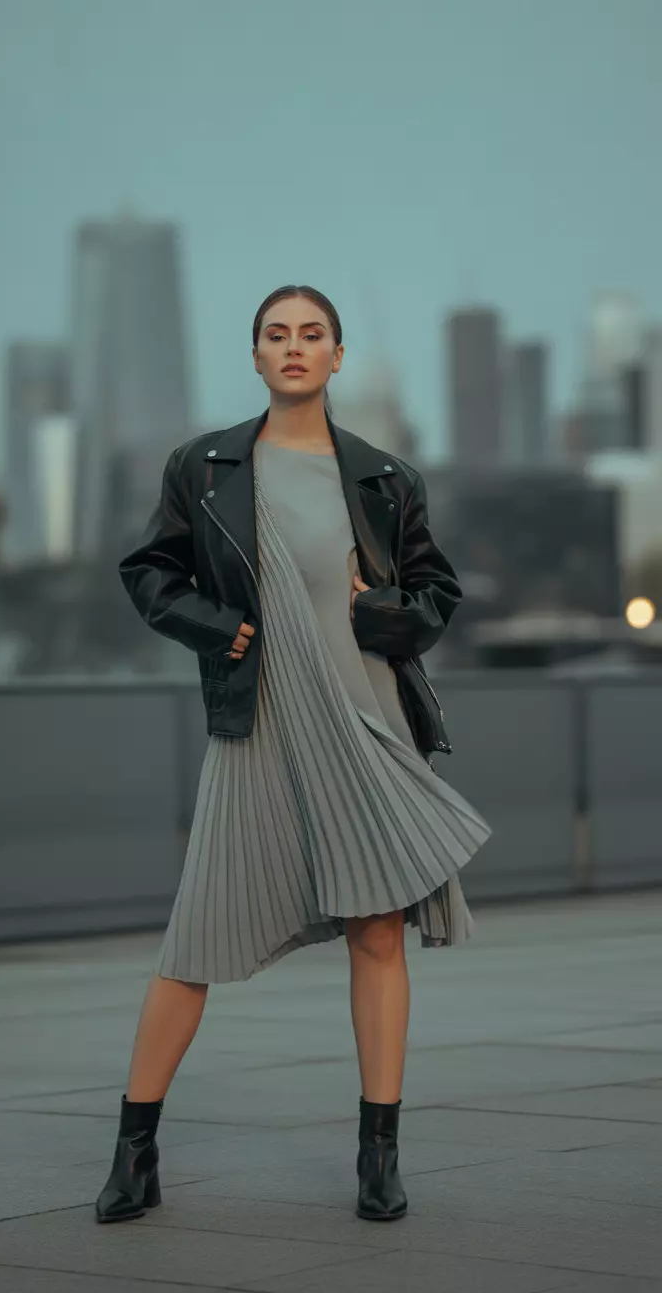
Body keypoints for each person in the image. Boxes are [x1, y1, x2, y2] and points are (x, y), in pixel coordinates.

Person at [95, 284, 491, 1226]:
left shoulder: (385, 478)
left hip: (367, 718)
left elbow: (435, 594)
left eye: (313, 334)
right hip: (260, 719)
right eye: (277, 335)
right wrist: (218, 628)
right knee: (194, 938)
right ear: (258, 356)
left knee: (378, 932)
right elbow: (149, 571)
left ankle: (379, 1155)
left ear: (337, 355)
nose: (295, 347)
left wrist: (379, 611)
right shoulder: (206, 466)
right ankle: (134, 1150)